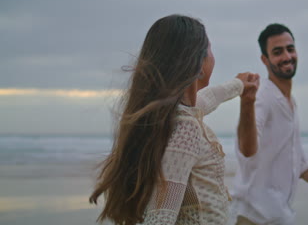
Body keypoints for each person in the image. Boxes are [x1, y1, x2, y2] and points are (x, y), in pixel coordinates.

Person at [89, 14, 259, 225]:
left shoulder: (173, 113)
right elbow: (161, 217)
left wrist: (240, 84)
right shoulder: (184, 127)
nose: (214, 57)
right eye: (210, 49)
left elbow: (211, 98)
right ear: (197, 64)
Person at [230, 23, 308, 224]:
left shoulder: (290, 102)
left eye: (290, 49)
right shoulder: (262, 98)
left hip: (279, 215)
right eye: (278, 52)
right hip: (253, 216)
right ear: (265, 59)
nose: (287, 57)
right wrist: (246, 103)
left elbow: (301, 162)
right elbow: (246, 148)